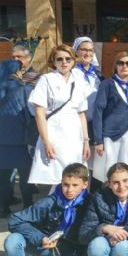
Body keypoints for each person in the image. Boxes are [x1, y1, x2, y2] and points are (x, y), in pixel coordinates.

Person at [4, 163, 90, 256]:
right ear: (61, 182)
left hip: (69, 251)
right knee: (12, 241)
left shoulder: (89, 204)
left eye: (75, 185)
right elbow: (15, 220)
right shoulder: (50, 202)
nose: (69, 190)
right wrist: (40, 238)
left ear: (85, 184)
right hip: (45, 246)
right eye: (66, 184)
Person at [28, 45, 90, 186]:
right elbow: (39, 113)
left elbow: (81, 114)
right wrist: (46, 142)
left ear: (74, 60)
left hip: (75, 135)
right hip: (55, 133)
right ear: (53, 61)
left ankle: (74, 207)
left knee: (76, 176)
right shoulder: (46, 79)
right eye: (59, 59)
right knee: (57, 177)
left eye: (68, 59)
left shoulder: (79, 80)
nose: (64, 62)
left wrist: (86, 141)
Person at [92, 52, 128, 191]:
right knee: (109, 173)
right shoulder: (107, 84)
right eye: (120, 63)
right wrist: (98, 140)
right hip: (111, 135)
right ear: (115, 66)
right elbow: (98, 111)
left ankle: (127, 204)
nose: (124, 66)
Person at [0, 60, 35, 217]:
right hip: (21, 137)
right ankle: (28, 205)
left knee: (4, 175)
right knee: (25, 174)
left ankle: (3, 208)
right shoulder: (25, 89)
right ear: (18, 71)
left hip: (1, 137)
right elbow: (32, 114)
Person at [71, 36, 104, 133]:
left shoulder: (98, 74)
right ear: (76, 52)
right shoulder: (70, 72)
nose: (88, 53)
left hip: (95, 123)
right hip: (76, 123)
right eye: (84, 49)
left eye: (90, 50)